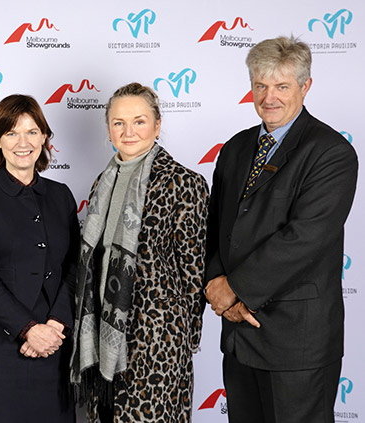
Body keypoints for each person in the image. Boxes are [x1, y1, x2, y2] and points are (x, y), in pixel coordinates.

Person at [205, 36, 358, 423]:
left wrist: (235, 290)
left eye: (282, 86)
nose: (269, 97)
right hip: (239, 337)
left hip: (296, 343)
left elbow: (303, 239)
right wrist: (215, 283)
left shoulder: (330, 153)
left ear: (305, 87)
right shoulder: (237, 148)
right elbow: (216, 225)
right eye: (261, 85)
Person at [70, 82, 209, 422]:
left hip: (156, 337)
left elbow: (193, 271)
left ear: (157, 125)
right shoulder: (102, 182)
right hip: (103, 330)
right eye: (118, 122)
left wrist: (180, 339)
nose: (128, 131)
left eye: (139, 121)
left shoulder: (183, 182)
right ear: (108, 129)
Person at [0, 94, 79, 422]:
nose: (22, 142)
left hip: (55, 344)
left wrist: (55, 325)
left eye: (32, 131)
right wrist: (28, 329)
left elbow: (73, 267)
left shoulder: (61, 195)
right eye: (11, 133)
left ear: (44, 137)